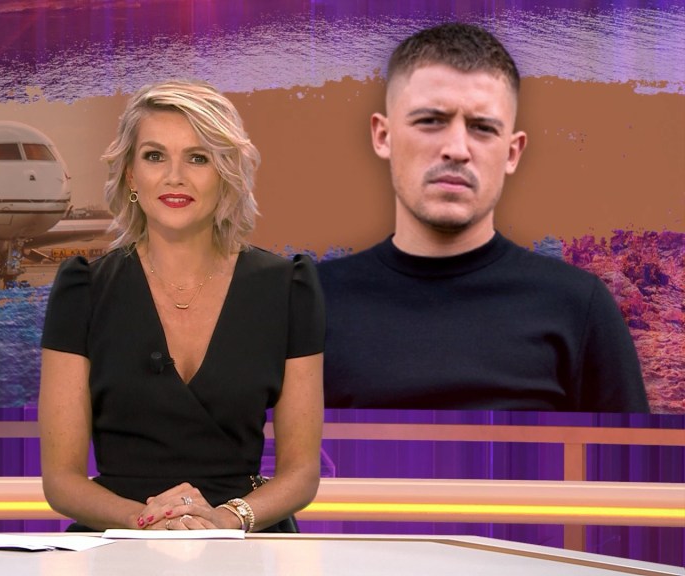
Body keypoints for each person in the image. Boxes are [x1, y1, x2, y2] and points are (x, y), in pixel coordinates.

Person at [39, 80, 325, 532]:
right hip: (120, 540)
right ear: (131, 176)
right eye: (155, 156)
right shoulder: (84, 289)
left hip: (244, 540)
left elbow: (302, 472)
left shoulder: (288, 287)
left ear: (225, 172)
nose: (175, 176)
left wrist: (226, 519)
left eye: (198, 157)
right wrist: (146, 521)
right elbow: (61, 480)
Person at [318, 23, 649, 412]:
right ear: (383, 136)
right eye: (430, 120)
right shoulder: (313, 304)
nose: (457, 149)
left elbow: (628, 454)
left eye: (482, 128)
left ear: (512, 152)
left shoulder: (578, 307)